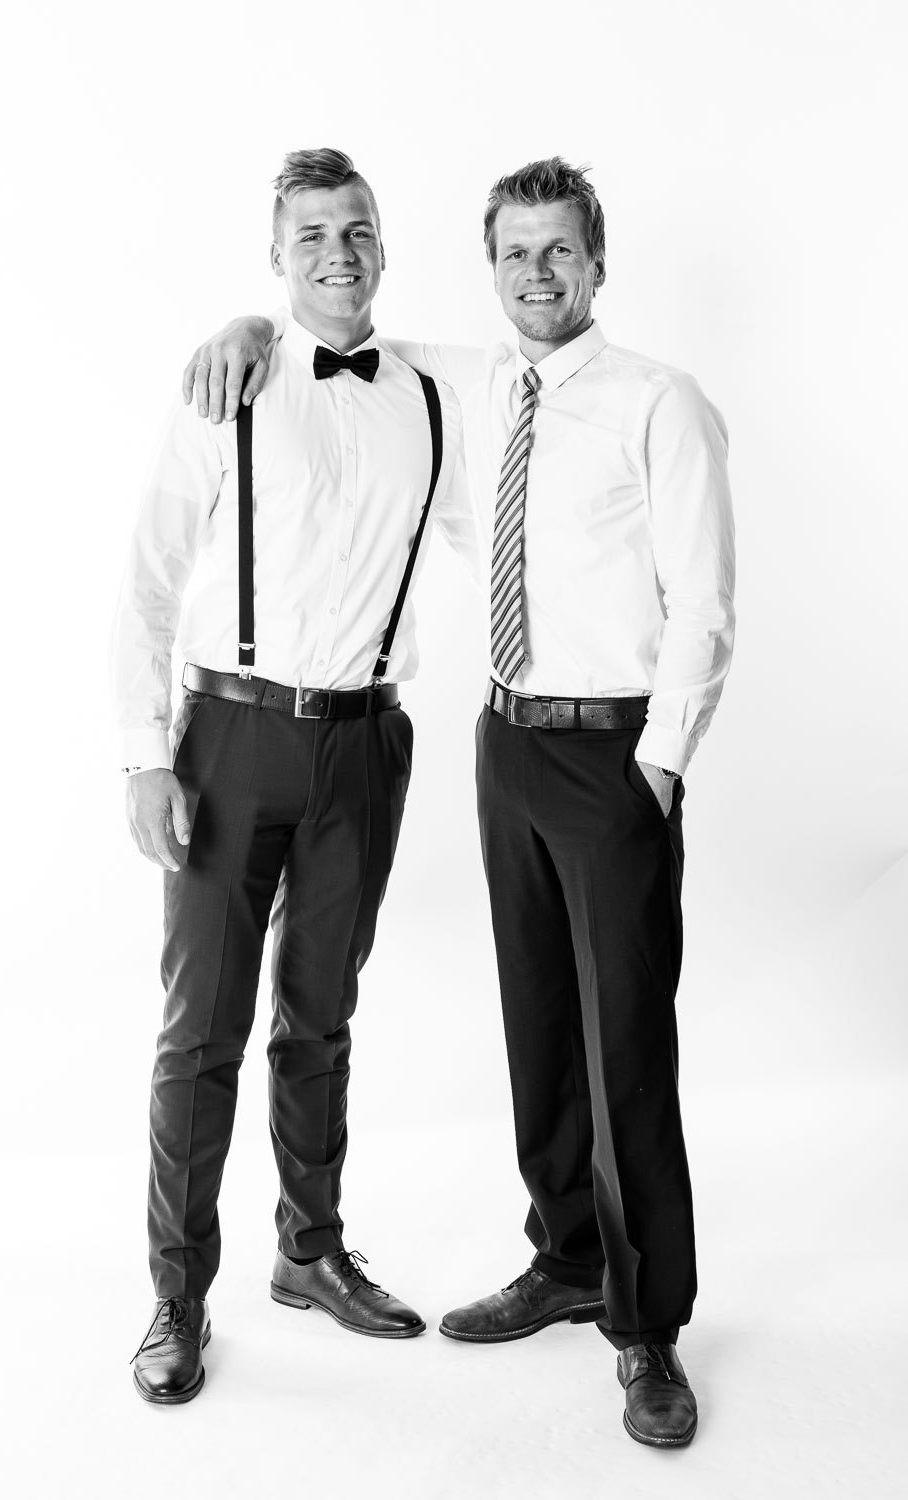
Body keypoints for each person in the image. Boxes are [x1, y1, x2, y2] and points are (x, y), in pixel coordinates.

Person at [181, 157, 736, 1447]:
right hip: (504, 740)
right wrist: (244, 324)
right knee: (537, 1023)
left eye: (558, 251)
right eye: (513, 254)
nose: (536, 274)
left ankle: (647, 1328)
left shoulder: (659, 402)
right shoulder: (467, 383)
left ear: (596, 263)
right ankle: (566, 1259)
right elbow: (334, 328)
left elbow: (705, 601)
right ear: (490, 269)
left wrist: (659, 762)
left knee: (622, 1046)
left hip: (612, 750)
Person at [111, 147, 476, 1405]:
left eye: (356, 228)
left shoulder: (431, 393)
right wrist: (143, 757)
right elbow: (148, 581)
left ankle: (309, 1253)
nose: (337, 251)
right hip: (229, 736)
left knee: (320, 1016)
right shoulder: (232, 380)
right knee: (199, 1031)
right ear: (276, 255)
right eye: (310, 233)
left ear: (383, 245)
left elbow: (535, 423)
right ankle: (176, 1298)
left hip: (366, 742)